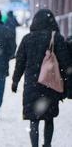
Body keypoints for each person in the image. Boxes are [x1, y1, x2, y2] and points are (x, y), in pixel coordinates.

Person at [11, 9, 70, 147]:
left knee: (34, 119)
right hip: (51, 84)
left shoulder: (27, 39)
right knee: (49, 119)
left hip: (32, 85)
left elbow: (20, 62)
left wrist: (15, 81)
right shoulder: (56, 38)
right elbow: (66, 63)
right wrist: (67, 86)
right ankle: (47, 144)